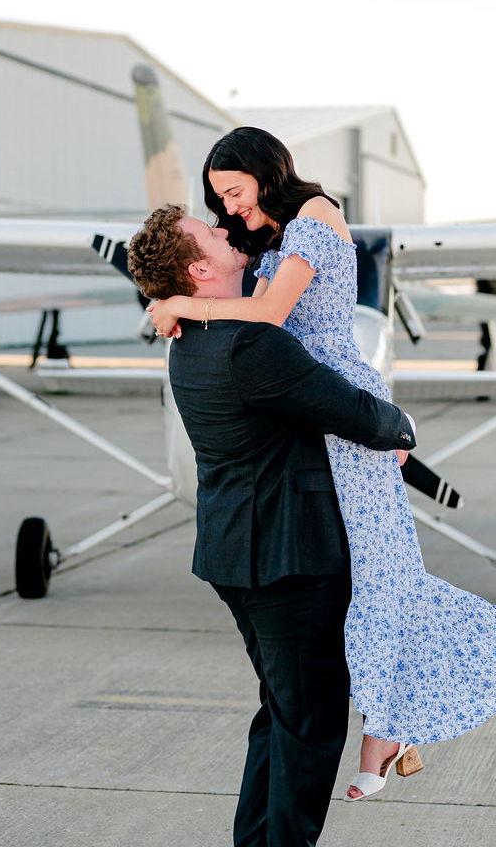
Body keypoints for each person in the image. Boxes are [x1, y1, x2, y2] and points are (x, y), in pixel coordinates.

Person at [147, 127, 496, 802]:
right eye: (217, 198)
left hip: (337, 403)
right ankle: (387, 729)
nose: (227, 207)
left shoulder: (316, 216)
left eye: (232, 190)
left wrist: (180, 303)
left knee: (383, 577)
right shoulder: (270, 235)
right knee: (375, 581)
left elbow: (269, 313)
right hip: (308, 408)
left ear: (265, 170)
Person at [127, 203, 419, 847]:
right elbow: (354, 412)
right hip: (287, 560)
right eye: (209, 233)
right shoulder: (251, 342)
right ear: (199, 269)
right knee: (310, 725)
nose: (225, 228)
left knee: (283, 712)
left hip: (236, 553)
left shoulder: (192, 337)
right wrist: (402, 428)